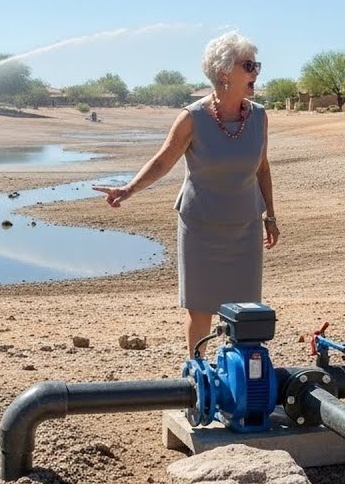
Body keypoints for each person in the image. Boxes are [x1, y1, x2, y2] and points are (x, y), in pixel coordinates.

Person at [93, 31, 278, 356]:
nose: (255, 73)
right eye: (248, 65)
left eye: (256, 65)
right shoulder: (192, 118)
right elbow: (164, 160)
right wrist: (128, 189)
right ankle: (198, 375)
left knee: (246, 311)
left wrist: (271, 217)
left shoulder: (260, 116)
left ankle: (239, 380)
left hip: (245, 227)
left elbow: (262, 168)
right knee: (201, 308)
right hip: (201, 227)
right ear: (223, 73)